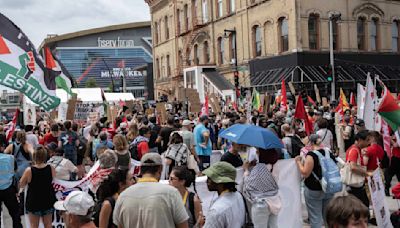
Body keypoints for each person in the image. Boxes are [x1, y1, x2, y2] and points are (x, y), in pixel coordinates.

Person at [113, 153, 189, 228]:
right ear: (160, 168)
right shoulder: (171, 193)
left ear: (140, 169)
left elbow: (119, 225)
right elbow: (183, 225)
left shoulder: (123, 196)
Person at [295, 134, 335, 228]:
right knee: (327, 216)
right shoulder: (328, 152)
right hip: (329, 187)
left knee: (315, 217)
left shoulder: (311, 155)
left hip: (314, 189)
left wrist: (298, 163)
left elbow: (305, 173)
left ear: (310, 142)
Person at [19, 146, 57, 228]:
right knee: (48, 225)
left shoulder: (29, 170)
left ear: (34, 156)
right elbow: (54, 180)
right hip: (48, 199)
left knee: (34, 226)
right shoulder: (51, 168)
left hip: (34, 202)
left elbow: (21, 184)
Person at [243, 149, 281, 228]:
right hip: (274, 201)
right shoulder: (275, 165)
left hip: (261, 204)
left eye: (258, 151)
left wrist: (246, 170)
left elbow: (248, 185)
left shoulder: (259, 168)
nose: (256, 152)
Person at [203, 161, 245, 228]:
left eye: (210, 178)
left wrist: (198, 224)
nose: (206, 181)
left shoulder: (216, 211)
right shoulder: (238, 195)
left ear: (220, 181)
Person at [345, 130, 370, 208]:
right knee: (361, 206)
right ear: (359, 140)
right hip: (355, 186)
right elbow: (353, 167)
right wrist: (367, 174)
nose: (368, 143)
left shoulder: (356, 149)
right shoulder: (354, 150)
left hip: (356, 185)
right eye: (367, 140)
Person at [0, 148, 23, 228]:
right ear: (2, 147)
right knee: (15, 214)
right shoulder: (11, 158)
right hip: (9, 189)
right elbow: (15, 170)